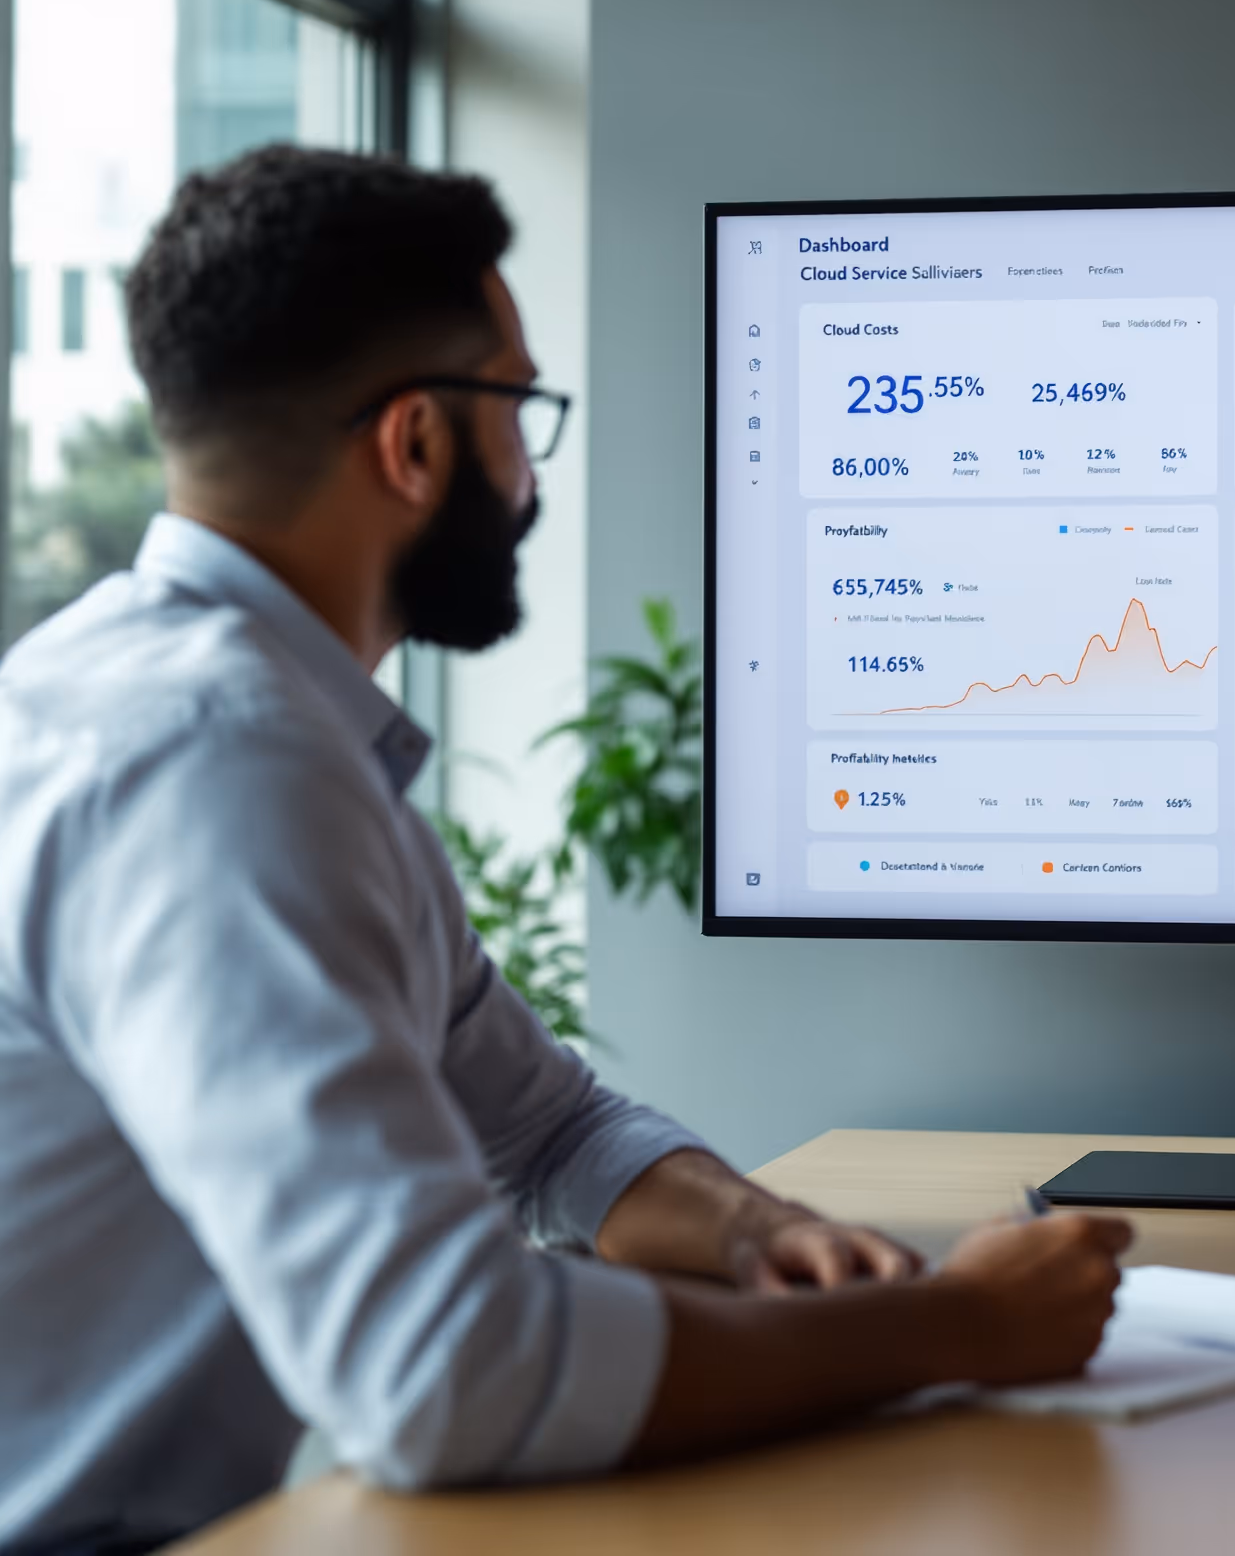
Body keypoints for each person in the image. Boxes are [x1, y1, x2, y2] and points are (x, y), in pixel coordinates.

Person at [0, 147, 1132, 1555]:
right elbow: (442, 1372)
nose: (529, 475)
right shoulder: (223, 764)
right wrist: (950, 1327)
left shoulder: (222, 720)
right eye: (518, 411)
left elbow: (547, 1131)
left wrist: (752, 1233)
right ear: (415, 444)